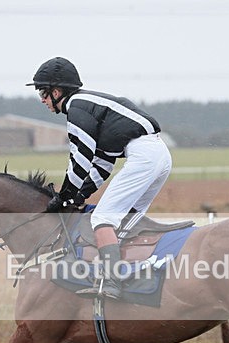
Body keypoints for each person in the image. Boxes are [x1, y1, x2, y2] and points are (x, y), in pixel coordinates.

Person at [28, 57, 172, 299]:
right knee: (124, 224)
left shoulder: (77, 108)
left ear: (57, 91)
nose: (42, 99)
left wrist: (64, 198)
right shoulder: (89, 106)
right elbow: (102, 165)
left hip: (145, 156)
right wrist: (79, 195)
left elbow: (80, 160)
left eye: (43, 92)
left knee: (102, 219)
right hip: (159, 156)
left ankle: (112, 284)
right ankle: (133, 280)